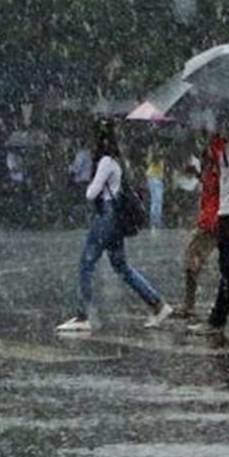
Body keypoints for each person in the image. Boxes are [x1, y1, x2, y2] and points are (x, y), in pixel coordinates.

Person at [55, 128, 171, 332]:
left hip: (106, 217)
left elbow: (91, 194)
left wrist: (88, 184)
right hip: (116, 218)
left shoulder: (106, 162)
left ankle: (83, 315)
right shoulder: (118, 161)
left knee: (86, 263)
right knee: (122, 267)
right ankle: (156, 304)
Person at [174, 131, 229, 321]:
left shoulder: (221, 149)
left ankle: (190, 305)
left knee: (194, 258)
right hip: (219, 213)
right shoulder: (218, 150)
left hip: (216, 215)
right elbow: (217, 181)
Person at [145, 147, 166, 230]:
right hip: (156, 178)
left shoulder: (152, 159)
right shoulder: (158, 159)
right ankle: (156, 221)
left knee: (154, 200)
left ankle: (154, 220)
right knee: (158, 200)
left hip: (151, 177)